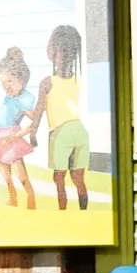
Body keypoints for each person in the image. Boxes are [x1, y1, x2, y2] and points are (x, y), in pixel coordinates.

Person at [33, 25, 91, 211]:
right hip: (80, 131)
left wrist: (32, 132)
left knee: (59, 178)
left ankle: (62, 215)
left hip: (60, 133)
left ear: (56, 51)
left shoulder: (47, 83)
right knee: (78, 179)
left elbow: (39, 110)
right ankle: (84, 213)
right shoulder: (78, 80)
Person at [0, 46, 39, 209]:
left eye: (10, 81)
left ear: (21, 78)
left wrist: (17, 135)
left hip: (11, 136)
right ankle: (13, 199)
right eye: (3, 83)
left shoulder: (25, 99)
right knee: (5, 173)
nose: (6, 86)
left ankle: (31, 202)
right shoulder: (10, 95)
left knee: (21, 175)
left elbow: (35, 121)